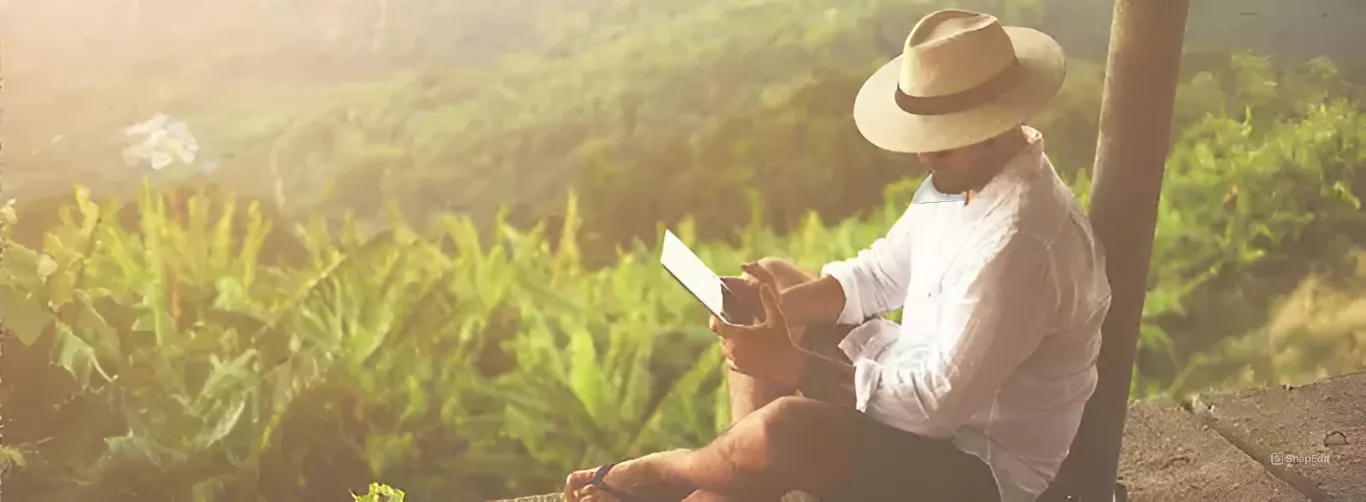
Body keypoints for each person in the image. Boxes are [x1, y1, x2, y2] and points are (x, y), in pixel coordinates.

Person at [564, 9, 1111, 502]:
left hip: (975, 466)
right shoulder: (966, 179)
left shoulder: (1021, 247)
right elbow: (879, 274)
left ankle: (680, 472)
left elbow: (933, 409)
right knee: (775, 283)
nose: (923, 154)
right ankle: (740, 486)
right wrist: (780, 305)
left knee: (782, 429)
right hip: (914, 386)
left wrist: (793, 366)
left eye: (942, 141)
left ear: (993, 126)